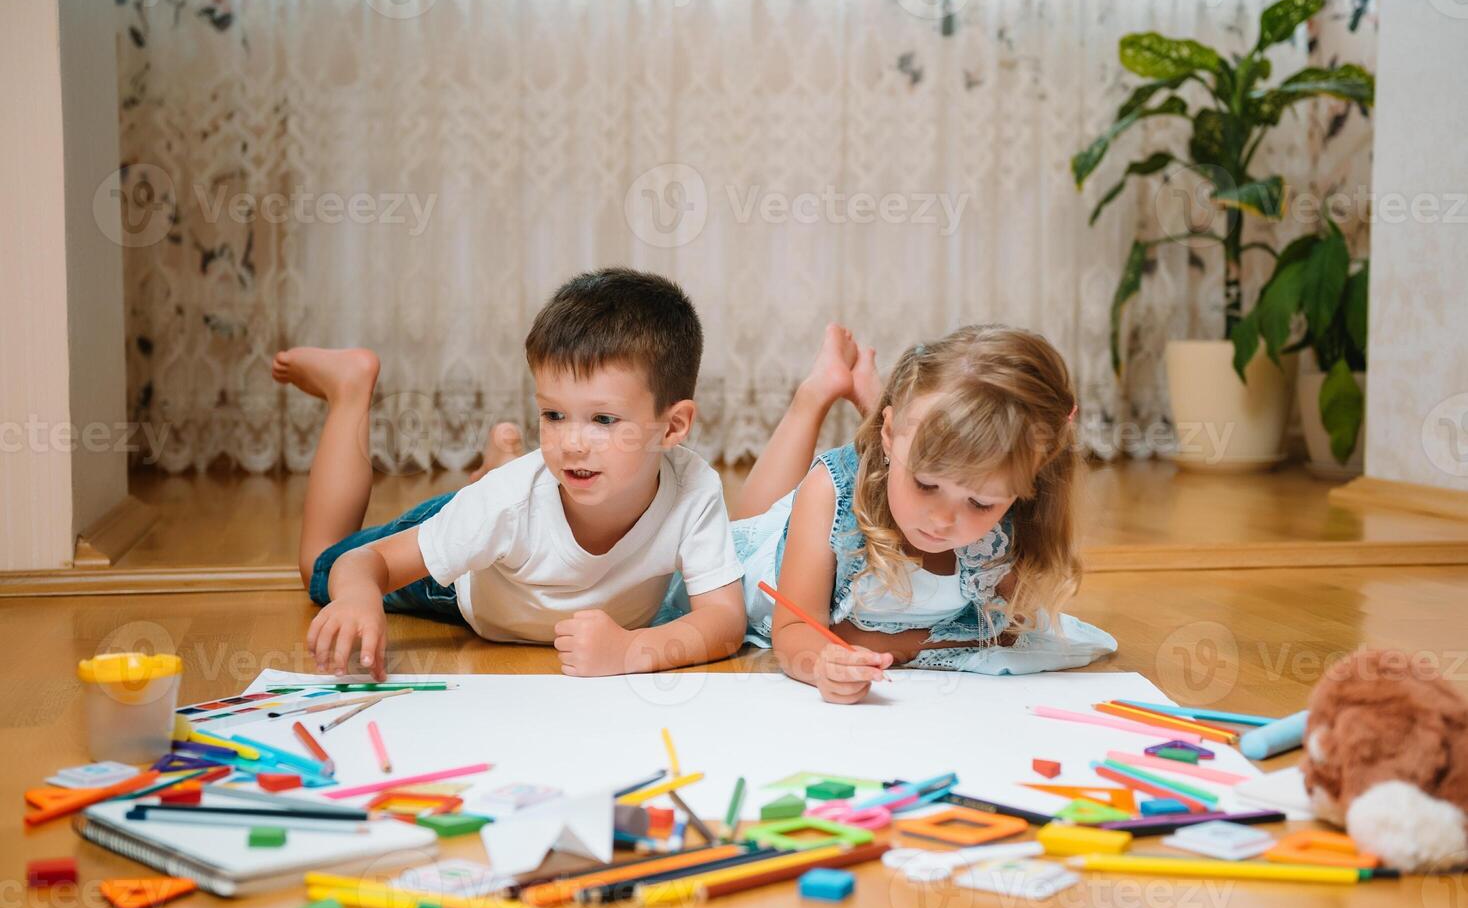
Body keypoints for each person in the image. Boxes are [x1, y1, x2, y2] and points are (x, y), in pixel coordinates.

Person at [272, 268, 746, 681]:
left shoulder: (693, 488)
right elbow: (359, 564)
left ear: (674, 426)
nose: (571, 443)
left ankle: (495, 465)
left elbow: (724, 622)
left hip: (505, 526)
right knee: (319, 564)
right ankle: (350, 387)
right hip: (465, 576)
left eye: (603, 420)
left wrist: (630, 652)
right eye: (553, 415)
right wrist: (357, 602)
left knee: (500, 503)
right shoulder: (505, 506)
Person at [728, 323, 1115, 704]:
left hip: (893, 452)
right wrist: (823, 663)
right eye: (926, 485)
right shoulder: (828, 494)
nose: (943, 519)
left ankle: (877, 411)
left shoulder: (1010, 516)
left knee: (913, 461)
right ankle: (815, 393)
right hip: (780, 546)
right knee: (754, 523)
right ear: (889, 432)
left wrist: (881, 642)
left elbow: (1011, 629)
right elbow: (796, 627)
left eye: (980, 503)